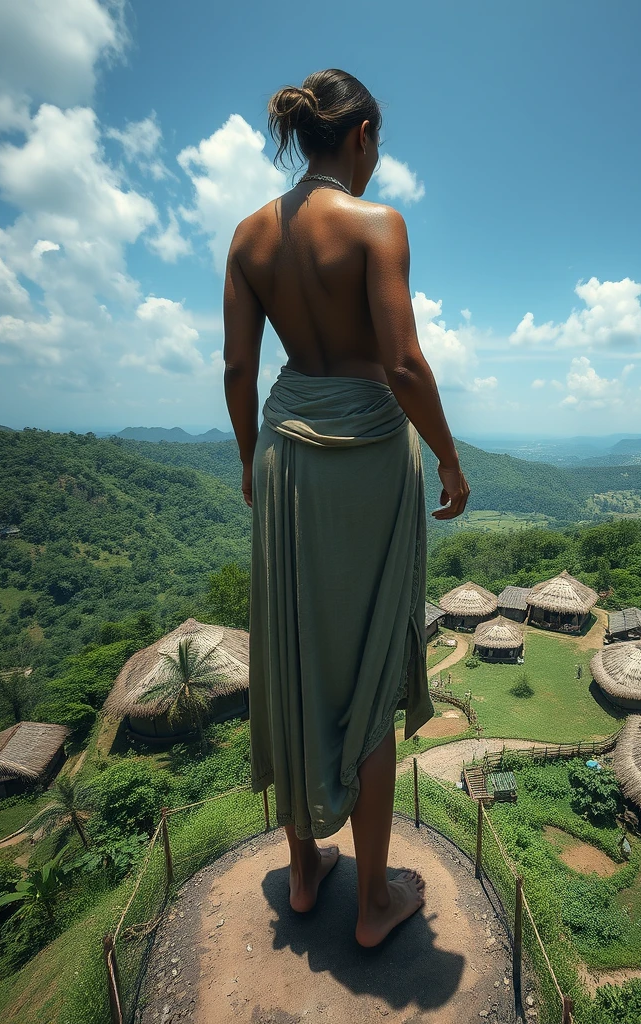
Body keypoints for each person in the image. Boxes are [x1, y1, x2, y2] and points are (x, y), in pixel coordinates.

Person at [222, 68, 470, 949]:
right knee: (368, 667)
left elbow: (238, 374)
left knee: (295, 654)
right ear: (360, 134)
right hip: (369, 453)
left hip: (286, 450)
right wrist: (448, 455)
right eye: (378, 144)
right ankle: (371, 905)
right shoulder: (376, 225)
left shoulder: (251, 237)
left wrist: (254, 463)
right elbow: (402, 364)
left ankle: (303, 872)